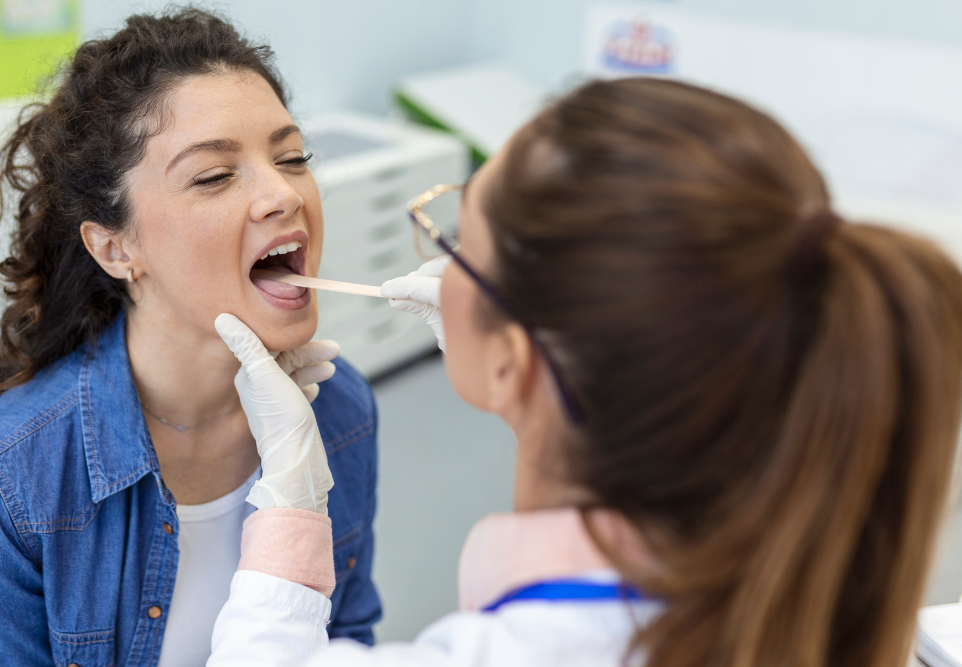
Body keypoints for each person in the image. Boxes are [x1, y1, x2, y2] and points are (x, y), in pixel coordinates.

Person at [206, 77, 962, 667]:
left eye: (464, 241)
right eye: (212, 175)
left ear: (518, 358)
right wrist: (528, 380)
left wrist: (290, 508)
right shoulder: (815, 589)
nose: (280, 195)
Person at [0, 8, 381, 667]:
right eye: (214, 176)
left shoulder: (338, 413)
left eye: (292, 157)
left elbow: (348, 640)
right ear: (115, 247)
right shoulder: (3, 491)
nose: (283, 193)